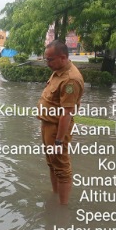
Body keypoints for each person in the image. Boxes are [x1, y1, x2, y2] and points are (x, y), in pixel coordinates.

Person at [38, 40, 84, 205]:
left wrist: (59, 140)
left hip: (58, 129)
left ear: (63, 57)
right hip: (47, 125)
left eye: (50, 59)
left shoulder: (70, 80)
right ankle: (55, 196)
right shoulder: (57, 70)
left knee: (62, 167)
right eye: (46, 59)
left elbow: (66, 113)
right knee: (52, 163)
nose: (47, 63)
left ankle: (62, 208)